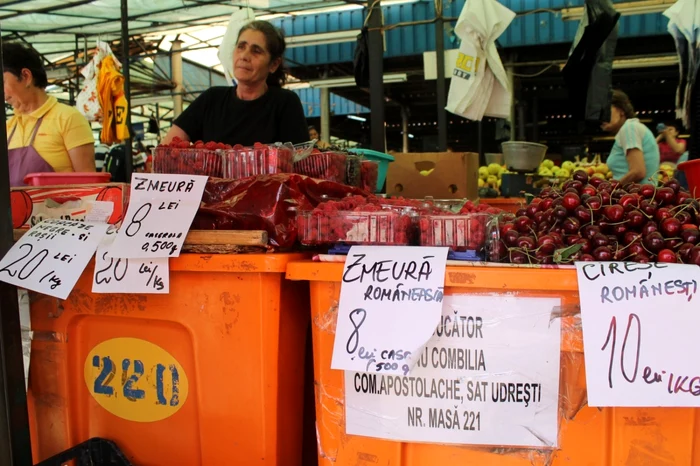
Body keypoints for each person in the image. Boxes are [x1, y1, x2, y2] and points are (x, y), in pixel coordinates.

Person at [164, 21, 308, 147]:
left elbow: (299, 161)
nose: (244, 56)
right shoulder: (212, 99)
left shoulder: (285, 103)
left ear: (274, 64)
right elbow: (167, 148)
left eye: (256, 51)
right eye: (241, 47)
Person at [3, 43, 95, 186]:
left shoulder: (68, 118)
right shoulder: (7, 128)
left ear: (26, 76)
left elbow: (91, 186)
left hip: (63, 208)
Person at [601, 90, 659, 184]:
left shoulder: (629, 128)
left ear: (621, 110)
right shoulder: (631, 128)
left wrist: (612, 189)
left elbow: (638, 172)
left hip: (636, 196)